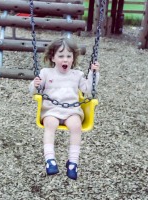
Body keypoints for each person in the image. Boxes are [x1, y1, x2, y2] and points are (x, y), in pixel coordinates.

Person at [29, 38, 100, 180]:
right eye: (61, 56)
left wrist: (94, 74)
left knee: (76, 125)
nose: (65, 60)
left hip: (71, 111)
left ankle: (73, 162)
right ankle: (50, 160)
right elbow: (33, 91)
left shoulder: (77, 75)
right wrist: (35, 84)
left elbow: (88, 89)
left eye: (69, 56)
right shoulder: (46, 73)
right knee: (50, 124)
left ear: (73, 58)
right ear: (53, 58)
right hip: (51, 110)